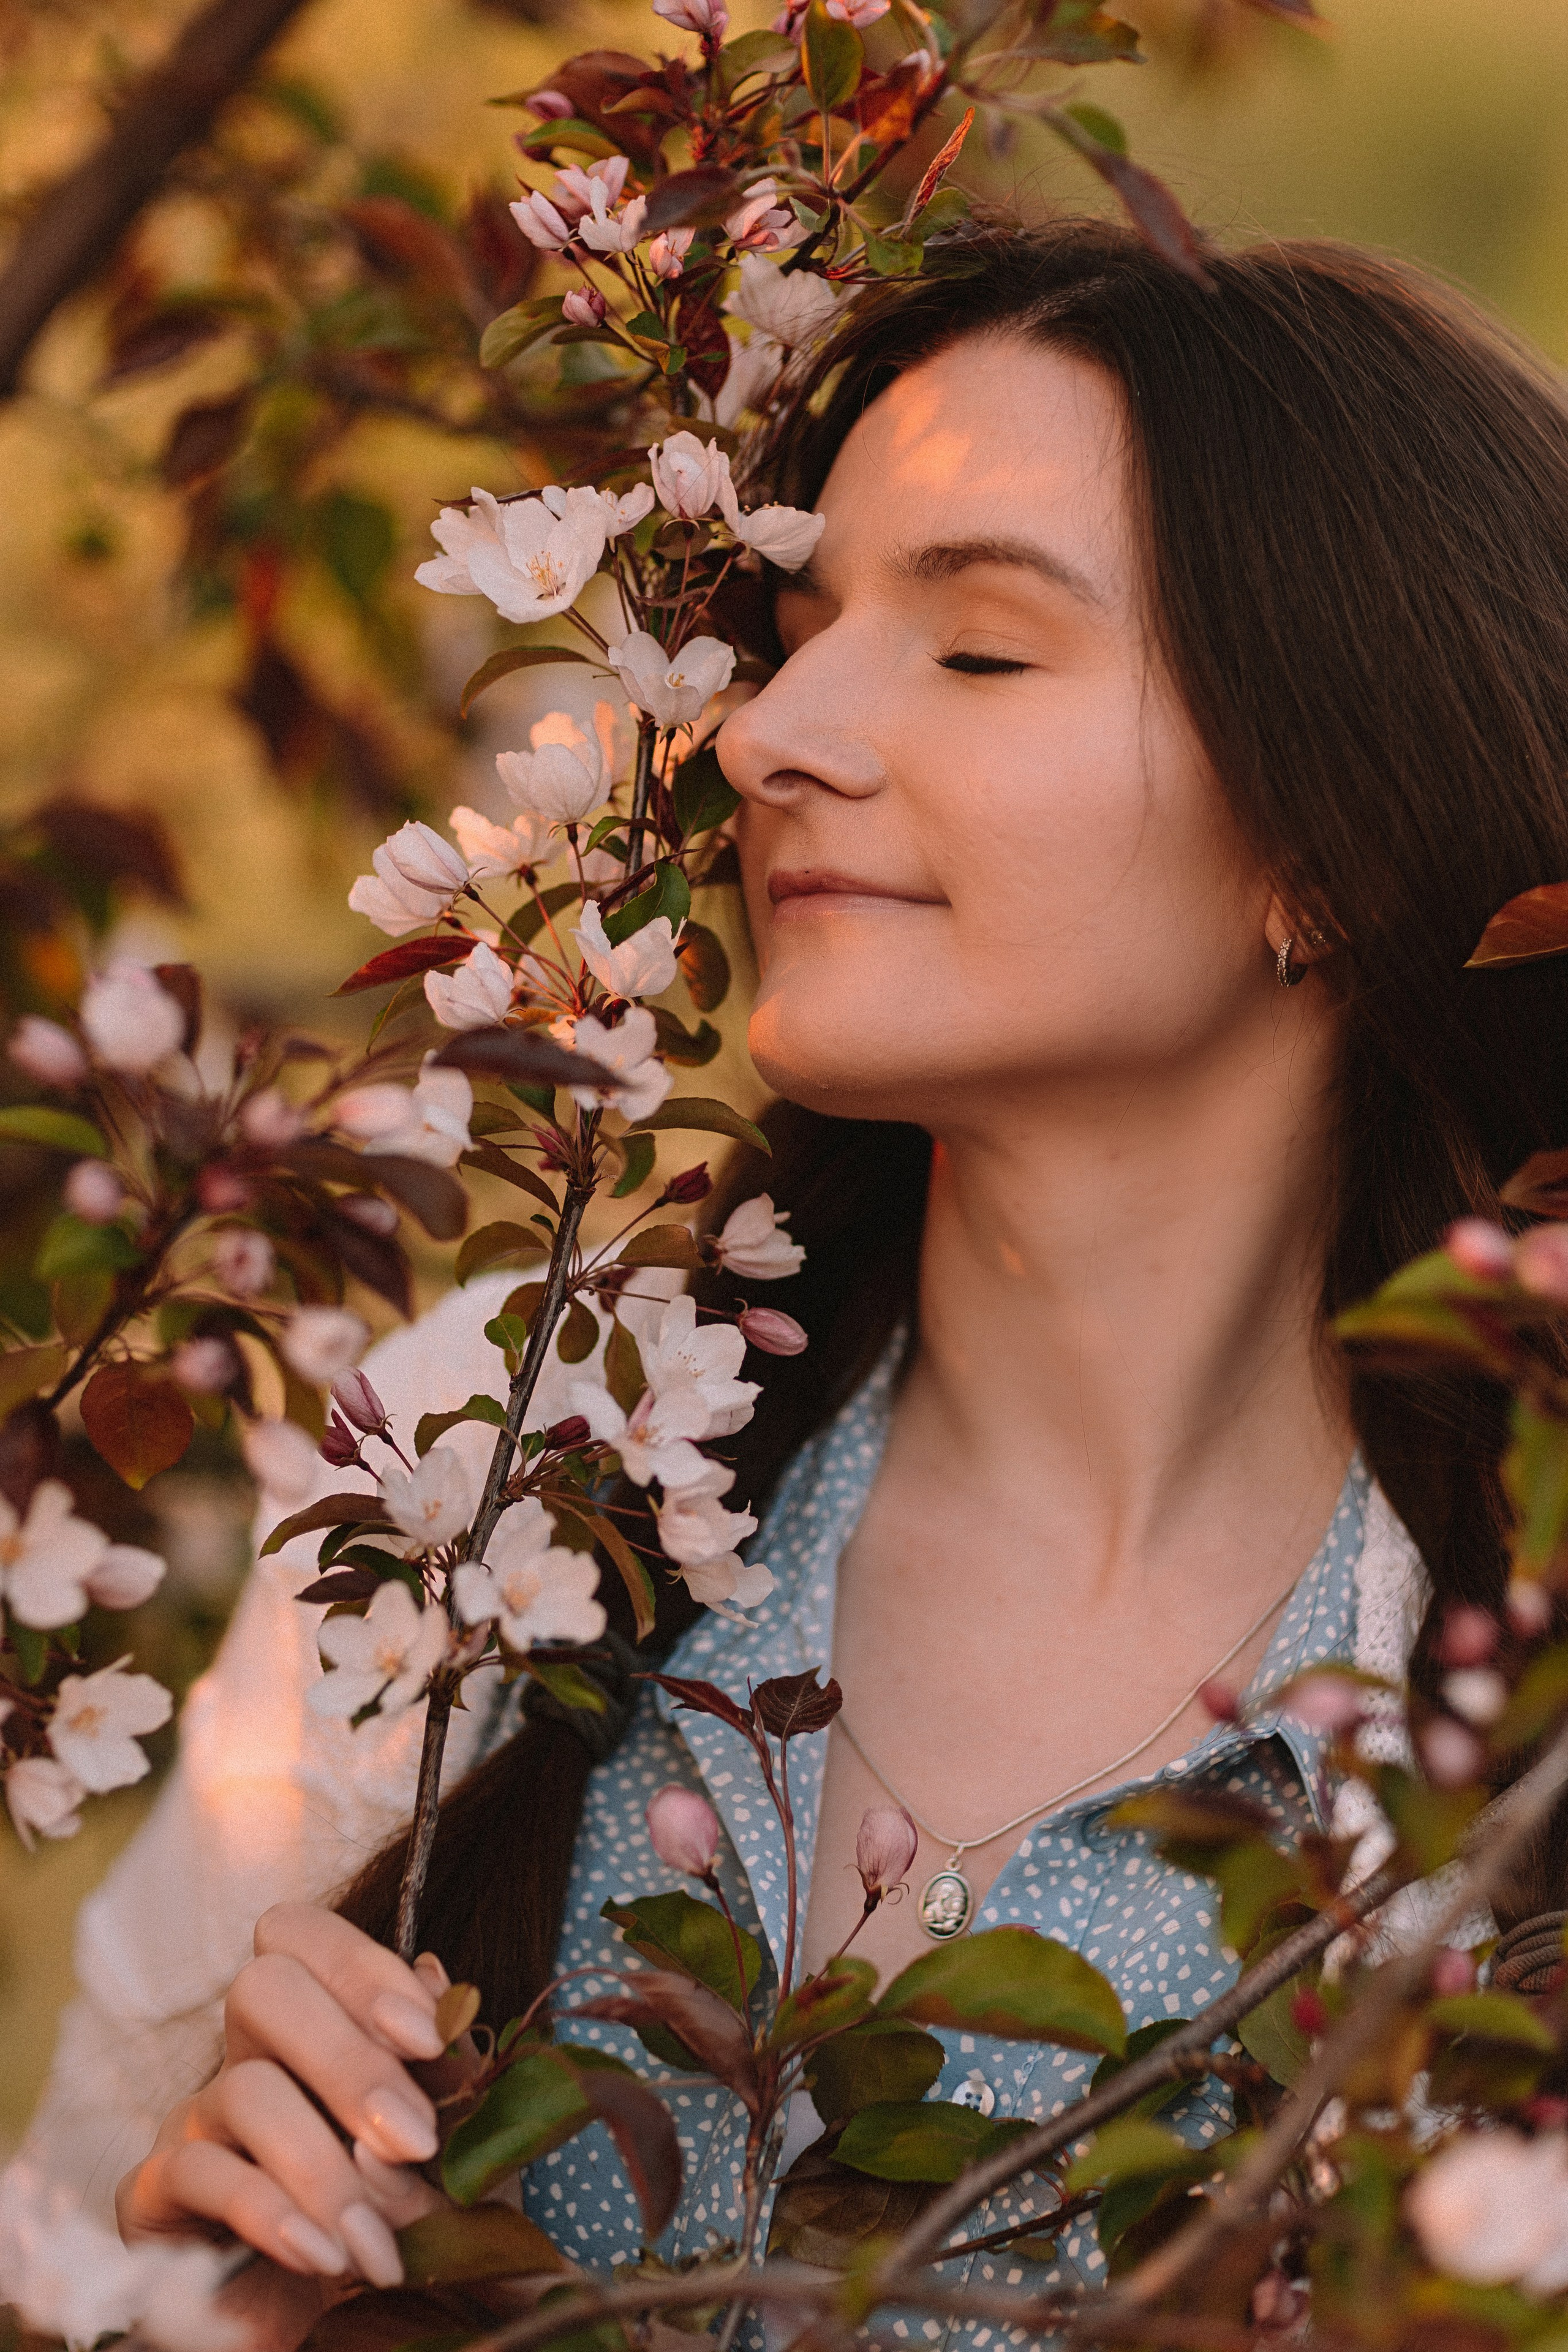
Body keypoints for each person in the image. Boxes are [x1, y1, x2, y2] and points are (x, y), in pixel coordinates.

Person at [22, 219, 1568, 2347]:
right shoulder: (515, 1450)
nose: (772, 731)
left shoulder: (1501, 1691)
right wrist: (209, 2292)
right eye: (801, 622)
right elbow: (71, 2235)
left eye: (984, 651)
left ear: (1328, 847)